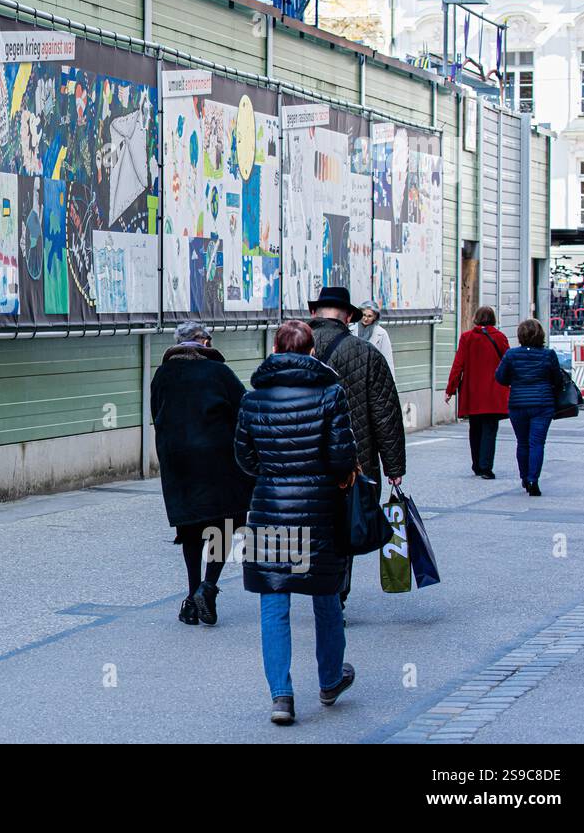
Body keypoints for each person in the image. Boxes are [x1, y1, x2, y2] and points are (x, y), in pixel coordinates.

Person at [236, 320, 358, 726]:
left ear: (274, 348)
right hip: (319, 509)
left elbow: (244, 457)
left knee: (274, 601)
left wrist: (272, 474)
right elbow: (342, 457)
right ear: (311, 351)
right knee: (325, 596)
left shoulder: (254, 399)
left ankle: (281, 697)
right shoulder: (330, 393)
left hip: (269, 509)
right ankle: (328, 680)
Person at [151, 321, 255, 626]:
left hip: (178, 462)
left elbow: (156, 415)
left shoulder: (162, 375)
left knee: (191, 528)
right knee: (222, 524)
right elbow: (244, 408)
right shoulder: (218, 372)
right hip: (219, 460)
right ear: (203, 341)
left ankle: (192, 594)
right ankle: (208, 588)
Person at [308, 286, 406, 608]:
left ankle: (316, 584)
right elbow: (385, 415)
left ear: (314, 313)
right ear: (349, 317)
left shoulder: (292, 349)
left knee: (312, 524)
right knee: (345, 526)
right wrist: (394, 469)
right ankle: (338, 595)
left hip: (302, 460)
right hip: (354, 463)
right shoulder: (366, 354)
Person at [495, 318, 563, 497]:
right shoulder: (548, 355)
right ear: (540, 335)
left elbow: (500, 377)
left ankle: (524, 478)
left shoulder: (511, 355)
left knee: (522, 442)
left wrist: (515, 381)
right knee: (537, 443)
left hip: (518, 404)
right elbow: (558, 379)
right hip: (542, 404)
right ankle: (534, 480)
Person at [445, 306, 511, 479]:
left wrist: (450, 390)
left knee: (474, 428)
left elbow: (458, 365)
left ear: (476, 318)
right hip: (494, 392)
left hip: (472, 392)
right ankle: (486, 467)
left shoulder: (466, 338)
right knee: (490, 429)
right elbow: (508, 363)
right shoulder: (500, 338)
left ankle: (476, 465)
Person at [352, 301, 395, 373]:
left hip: (373, 373)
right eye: (364, 315)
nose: (365, 319)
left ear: (375, 317)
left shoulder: (381, 334)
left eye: (369, 316)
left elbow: (388, 359)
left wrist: (391, 382)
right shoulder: (351, 330)